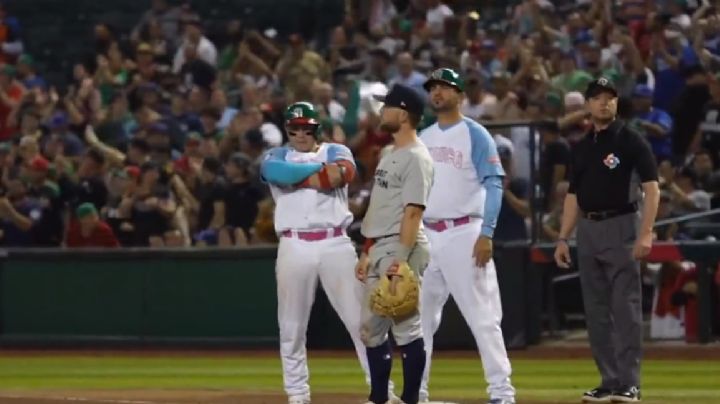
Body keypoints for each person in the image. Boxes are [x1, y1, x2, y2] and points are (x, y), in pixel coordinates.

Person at [259, 102, 374, 404]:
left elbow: (342, 174)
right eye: (294, 127)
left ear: (315, 128)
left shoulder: (336, 150)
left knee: (361, 321)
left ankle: (381, 391)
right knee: (292, 325)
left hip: (335, 242)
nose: (299, 133)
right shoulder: (275, 156)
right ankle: (298, 395)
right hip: (294, 243)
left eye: (305, 127)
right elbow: (273, 170)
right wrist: (318, 174)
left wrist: (295, 177)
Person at [554, 77, 660, 403]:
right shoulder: (583, 146)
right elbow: (573, 195)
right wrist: (562, 238)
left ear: (616, 102)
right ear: (588, 104)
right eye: (598, 98)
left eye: (610, 98)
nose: (604, 103)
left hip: (622, 224)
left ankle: (630, 383)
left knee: (624, 307)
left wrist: (646, 232)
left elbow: (652, 188)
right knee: (596, 310)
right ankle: (609, 381)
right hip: (588, 228)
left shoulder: (631, 140)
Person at [417, 68, 516, 404]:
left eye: (445, 87)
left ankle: (502, 392)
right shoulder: (424, 138)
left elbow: (494, 184)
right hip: (428, 234)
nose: (438, 93)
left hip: (465, 231)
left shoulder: (475, 134)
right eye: (434, 88)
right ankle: (417, 390)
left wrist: (486, 233)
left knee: (483, 316)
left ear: (460, 95)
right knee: (418, 319)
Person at [357, 84, 434, 404]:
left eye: (386, 106)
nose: (381, 111)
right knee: (370, 329)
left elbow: (413, 212)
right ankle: (379, 398)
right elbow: (380, 207)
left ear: (402, 114)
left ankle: (412, 399)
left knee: (405, 329)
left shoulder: (417, 157)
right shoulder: (390, 153)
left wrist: (399, 261)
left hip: (401, 246)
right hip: (379, 245)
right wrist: (366, 249)